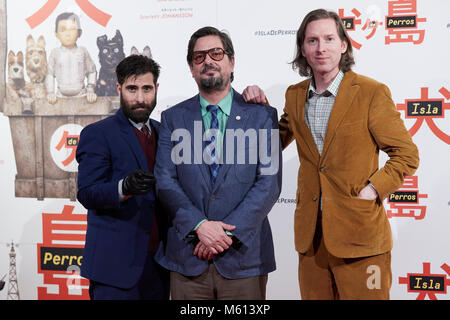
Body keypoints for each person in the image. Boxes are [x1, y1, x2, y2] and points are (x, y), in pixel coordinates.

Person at [242, 9, 419, 300]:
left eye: (328, 38)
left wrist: (373, 190)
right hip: (312, 239)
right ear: (302, 48)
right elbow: (271, 142)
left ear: (343, 44)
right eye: (312, 40)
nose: (320, 47)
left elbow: (406, 154)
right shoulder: (295, 95)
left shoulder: (371, 93)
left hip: (361, 236)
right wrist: (255, 108)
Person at [154, 26, 282, 300]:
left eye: (216, 53)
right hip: (188, 257)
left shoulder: (262, 116)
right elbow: (165, 180)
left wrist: (223, 234)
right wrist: (199, 226)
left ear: (231, 62)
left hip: (244, 259)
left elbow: (269, 184)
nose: (208, 61)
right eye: (199, 57)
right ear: (191, 68)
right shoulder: (172, 119)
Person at [76, 55, 169, 300]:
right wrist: (122, 187)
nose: (140, 98)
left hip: (160, 266)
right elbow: (86, 192)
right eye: (132, 89)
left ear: (156, 89)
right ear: (119, 89)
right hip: (114, 269)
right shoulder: (97, 134)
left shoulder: (165, 133)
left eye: (147, 88)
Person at [46, 12, 97, 104]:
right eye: (63, 30)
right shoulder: (55, 53)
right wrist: (50, 92)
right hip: (60, 97)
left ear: (79, 33)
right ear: (56, 34)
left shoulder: (83, 51)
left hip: (82, 96)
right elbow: (49, 74)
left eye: (72, 29)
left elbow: (92, 71)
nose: (67, 34)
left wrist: (90, 89)